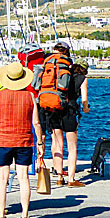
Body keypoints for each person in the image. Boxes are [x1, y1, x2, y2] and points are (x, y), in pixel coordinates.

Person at [0, 61, 44, 218]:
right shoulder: (30, 97)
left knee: (2, 178)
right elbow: (36, 123)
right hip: (24, 141)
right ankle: (25, 216)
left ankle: (2, 216)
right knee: (24, 178)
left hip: (3, 140)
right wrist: (40, 143)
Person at [40, 42, 73, 184]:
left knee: (55, 139)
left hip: (47, 101)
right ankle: (66, 177)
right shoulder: (66, 63)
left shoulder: (46, 62)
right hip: (62, 104)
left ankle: (58, 172)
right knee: (68, 143)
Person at [61, 62, 90, 187]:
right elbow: (84, 99)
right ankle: (71, 179)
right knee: (72, 147)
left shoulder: (64, 75)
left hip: (57, 110)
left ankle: (59, 176)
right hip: (70, 111)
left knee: (57, 144)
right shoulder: (83, 79)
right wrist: (86, 108)